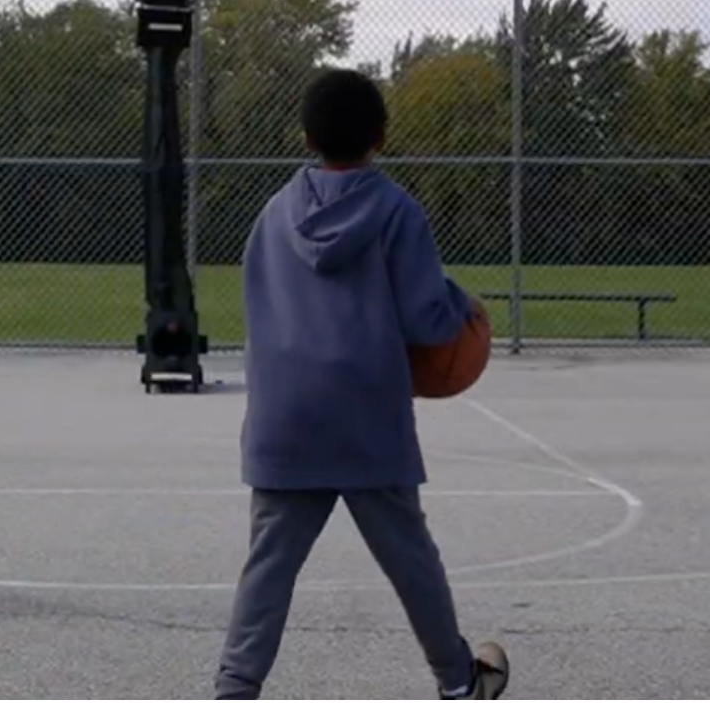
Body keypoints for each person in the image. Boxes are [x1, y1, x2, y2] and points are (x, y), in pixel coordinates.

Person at [214, 67, 511, 700]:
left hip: (284, 418)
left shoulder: (273, 214)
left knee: (267, 568)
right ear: (381, 135)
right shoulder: (397, 211)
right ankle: (458, 679)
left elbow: (258, 306)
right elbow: (428, 319)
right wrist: (463, 305)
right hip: (366, 415)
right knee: (410, 559)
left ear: (305, 138)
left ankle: (234, 687)